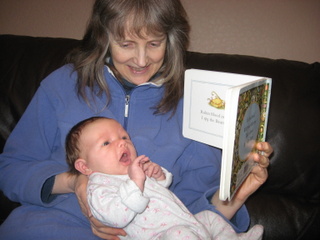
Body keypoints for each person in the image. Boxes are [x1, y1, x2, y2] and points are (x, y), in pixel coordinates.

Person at [0, 0, 273, 239]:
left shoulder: (194, 104)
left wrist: (237, 193)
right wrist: (74, 182)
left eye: (154, 44)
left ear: (171, 40)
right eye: (126, 44)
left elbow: (191, 213)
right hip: (55, 224)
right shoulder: (62, 85)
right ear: (104, 37)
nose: (141, 60)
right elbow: (11, 168)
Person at [65, 116, 264, 240]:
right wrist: (136, 182)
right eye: (106, 143)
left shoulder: (135, 170)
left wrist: (158, 176)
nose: (122, 144)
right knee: (180, 235)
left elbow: (160, 190)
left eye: (124, 137)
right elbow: (116, 217)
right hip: (160, 236)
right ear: (84, 166)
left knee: (210, 219)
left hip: (185, 223)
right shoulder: (98, 188)